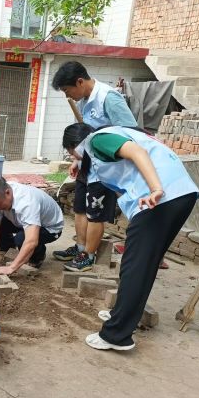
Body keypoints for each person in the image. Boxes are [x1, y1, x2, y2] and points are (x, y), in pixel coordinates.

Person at [62, 123, 199, 351]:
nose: (72, 159)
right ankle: (124, 315)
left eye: (71, 154)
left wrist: (156, 189)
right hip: (181, 194)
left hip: (160, 198)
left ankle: (116, 335)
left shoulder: (97, 140)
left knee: (135, 265)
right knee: (144, 264)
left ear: (74, 146)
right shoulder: (114, 138)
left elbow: (138, 153)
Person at [51, 61, 138, 272]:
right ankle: (81, 248)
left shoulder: (109, 98)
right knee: (80, 207)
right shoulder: (83, 100)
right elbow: (83, 134)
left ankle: (89, 257)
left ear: (79, 82)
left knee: (95, 212)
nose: (67, 96)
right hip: (86, 163)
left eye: (67, 90)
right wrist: (76, 160)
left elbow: (131, 133)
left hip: (105, 167)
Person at [0, 178, 64, 275]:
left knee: (21, 239)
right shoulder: (0, 194)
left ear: (7, 192)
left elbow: (31, 241)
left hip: (50, 228)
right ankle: (6, 248)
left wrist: (11, 268)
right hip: (22, 221)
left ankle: (37, 257)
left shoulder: (27, 202)